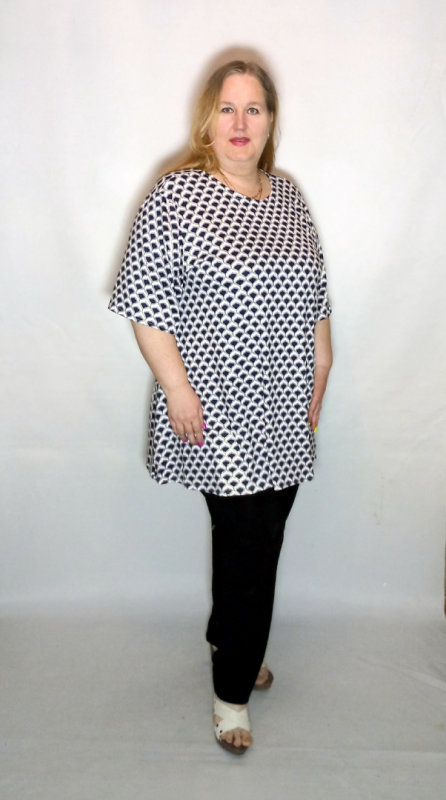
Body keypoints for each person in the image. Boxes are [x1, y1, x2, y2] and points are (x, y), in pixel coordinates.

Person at [108, 60, 333, 756]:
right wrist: (177, 388)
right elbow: (145, 302)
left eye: (254, 109)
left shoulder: (288, 196)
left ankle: (228, 636)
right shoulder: (176, 196)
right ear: (208, 119)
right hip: (217, 407)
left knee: (264, 533)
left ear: (271, 121)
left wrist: (323, 360)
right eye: (228, 108)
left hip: (285, 403)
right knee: (249, 547)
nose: (240, 123)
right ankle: (232, 689)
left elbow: (316, 289)